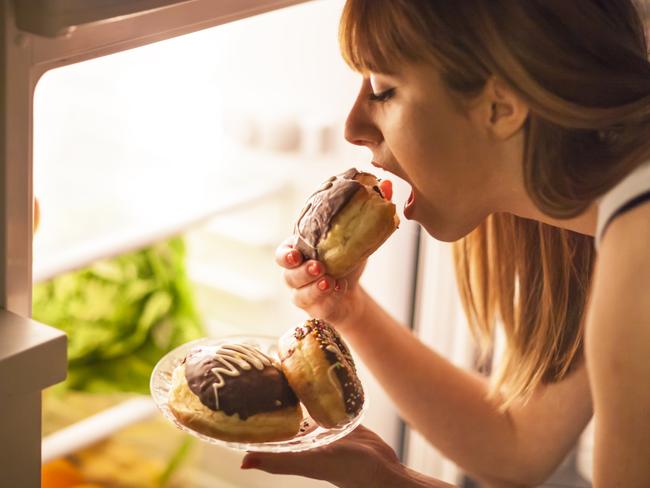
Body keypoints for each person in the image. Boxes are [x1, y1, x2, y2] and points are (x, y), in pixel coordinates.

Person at [241, 1, 650, 486]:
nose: (353, 128)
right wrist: (348, 311)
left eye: (383, 90)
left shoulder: (639, 265)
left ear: (502, 107)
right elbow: (519, 443)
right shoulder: (615, 214)